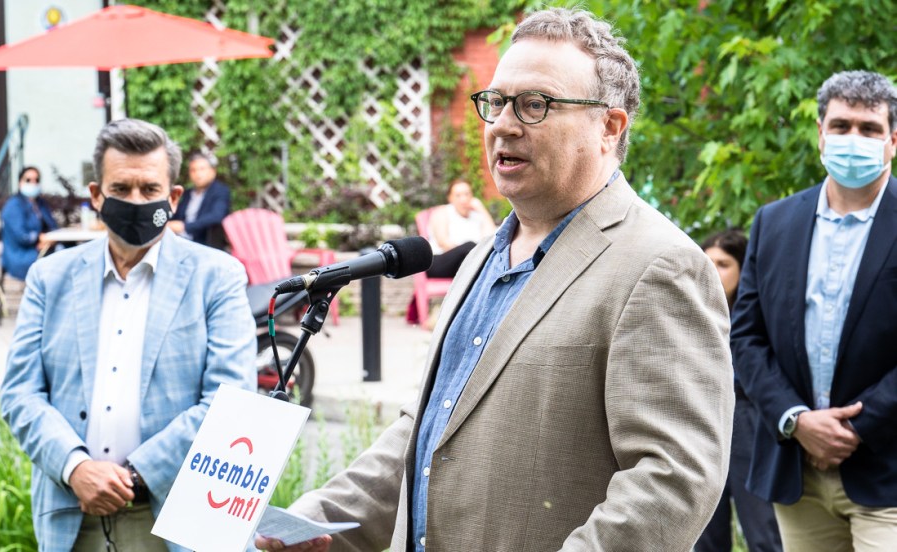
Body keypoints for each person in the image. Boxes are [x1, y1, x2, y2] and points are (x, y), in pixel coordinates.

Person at [257, 7, 733, 551]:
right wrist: (317, 520)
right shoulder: (482, 257)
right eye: (497, 102)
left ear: (609, 125)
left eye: (536, 104)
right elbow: (427, 433)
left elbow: (673, 481)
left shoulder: (660, 265)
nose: (504, 123)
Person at [0, 119, 257, 552]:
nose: (136, 201)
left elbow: (230, 401)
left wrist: (133, 477)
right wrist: (75, 467)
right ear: (97, 195)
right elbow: (20, 392)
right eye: (121, 189)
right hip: (73, 517)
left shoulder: (217, 276)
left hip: (178, 517)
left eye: (148, 189)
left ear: (172, 197)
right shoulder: (50, 277)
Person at [731, 70, 897, 551]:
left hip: (887, 470)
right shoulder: (775, 222)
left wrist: (855, 428)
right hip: (795, 470)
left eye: (869, 129)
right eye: (842, 125)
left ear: (892, 141)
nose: (853, 139)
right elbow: (746, 337)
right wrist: (796, 420)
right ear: (821, 133)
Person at [697, 229, 782, 552]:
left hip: (750, 425)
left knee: (764, 534)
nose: (713, 271)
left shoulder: (759, 317)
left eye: (723, 263)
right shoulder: (689, 313)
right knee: (703, 537)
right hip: (703, 427)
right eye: (707, 262)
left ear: (743, 269)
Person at [425, 179, 496, 278]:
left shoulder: (476, 217)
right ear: (450, 198)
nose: (463, 199)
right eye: (458, 195)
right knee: (469, 246)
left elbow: (492, 239)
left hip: (465, 264)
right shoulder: (443, 212)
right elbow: (443, 243)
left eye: (467, 194)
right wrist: (472, 255)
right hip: (439, 262)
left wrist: (481, 208)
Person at [0, 166, 59, 280]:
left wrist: (50, 241)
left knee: (69, 250)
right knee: (60, 259)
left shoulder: (40, 204)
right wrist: (39, 238)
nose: (33, 183)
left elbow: (53, 227)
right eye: (28, 180)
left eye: (36, 180)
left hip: (44, 248)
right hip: (21, 256)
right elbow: (22, 236)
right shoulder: (14, 205)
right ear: (20, 182)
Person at [168, 151, 232, 247]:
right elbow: (176, 214)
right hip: (179, 240)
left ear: (213, 171)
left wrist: (185, 227)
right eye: (193, 170)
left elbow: (216, 216)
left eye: (202, 169)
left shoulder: (220, 191)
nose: (197, 174)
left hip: (204, 242)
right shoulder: (188, 193)